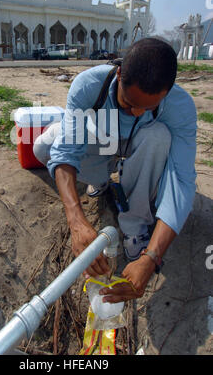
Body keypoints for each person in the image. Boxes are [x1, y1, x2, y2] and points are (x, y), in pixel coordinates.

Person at [33, 38, 197, 304]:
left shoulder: (181, 106)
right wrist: (76, 220)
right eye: (128, 103)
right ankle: (98, 177)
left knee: (158, 136)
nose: (136, 113)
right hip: (100, 138)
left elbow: (181, 179)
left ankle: (135, 226)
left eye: (149, 108)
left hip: (138, 149)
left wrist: (152, 257)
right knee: (44, 149)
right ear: (119, 74)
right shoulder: (89, 84)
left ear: (167, 92)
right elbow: (66, 154)